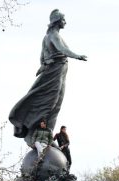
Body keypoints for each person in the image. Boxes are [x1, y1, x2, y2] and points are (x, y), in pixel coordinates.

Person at [9, 9, 87, 139]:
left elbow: (42, 56)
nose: (65, 22)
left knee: (56, 103)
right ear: (57, 21)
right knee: (51, 103)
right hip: (55, 70)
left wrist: (43, 66)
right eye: (63, 20)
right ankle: (38, 132)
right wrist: (77, 56)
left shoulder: (49, 36)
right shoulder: (53, 35)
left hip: (59, 70)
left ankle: (46, 133)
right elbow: (62, 49)